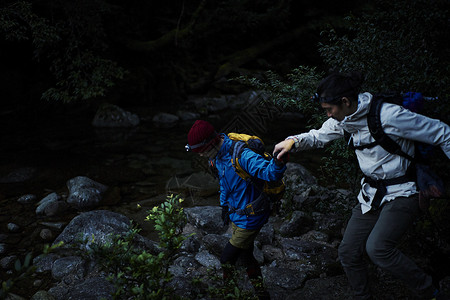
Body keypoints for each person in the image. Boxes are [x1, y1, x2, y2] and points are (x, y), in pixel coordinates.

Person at [273, 71, 450, 300]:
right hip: (371, 194)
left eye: (329, 109)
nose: (328, 114)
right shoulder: (344, 120)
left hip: (404, 190)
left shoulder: (389, 116)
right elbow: (318, 135)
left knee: (378, 249)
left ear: (345, 101)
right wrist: (293, 141)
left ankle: (432, 292)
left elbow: (442, 133)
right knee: (347, 252)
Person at [186, 120, 287, 300]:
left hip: (252, 217)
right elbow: (224, 185)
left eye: (202, 151)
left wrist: (278, 162)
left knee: (227, 259)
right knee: (247, 257)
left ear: (211, 143)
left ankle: (229, 294)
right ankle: (262, 294)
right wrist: (224, 206)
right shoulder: (216, 158)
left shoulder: (243, 156)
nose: (201, 156)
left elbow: (270, 173)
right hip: (236, 214)